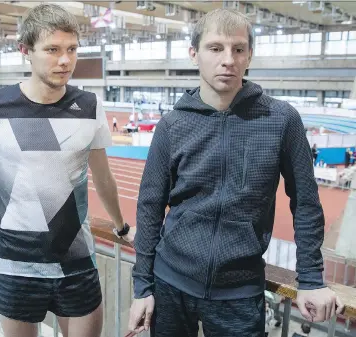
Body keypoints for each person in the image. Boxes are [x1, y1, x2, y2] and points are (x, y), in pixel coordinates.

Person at [128, 8, 343, 337]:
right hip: (169, 284)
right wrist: (142, 286)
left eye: (238, 49)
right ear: (194, 54)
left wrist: (311, 279)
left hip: (240, 295)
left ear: (249, 56)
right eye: (215, 48)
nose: (228, 59)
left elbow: (307, 202)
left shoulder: (281, 120)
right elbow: (150, 206)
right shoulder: (172, 126)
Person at [0, 4, 134, 337]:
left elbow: (103, 176)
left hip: (76, 258)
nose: (65, 60)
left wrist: (121, 226)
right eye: (52, 50)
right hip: (14, 261)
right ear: (26, 51)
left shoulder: (89, 105)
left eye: (71, 49)